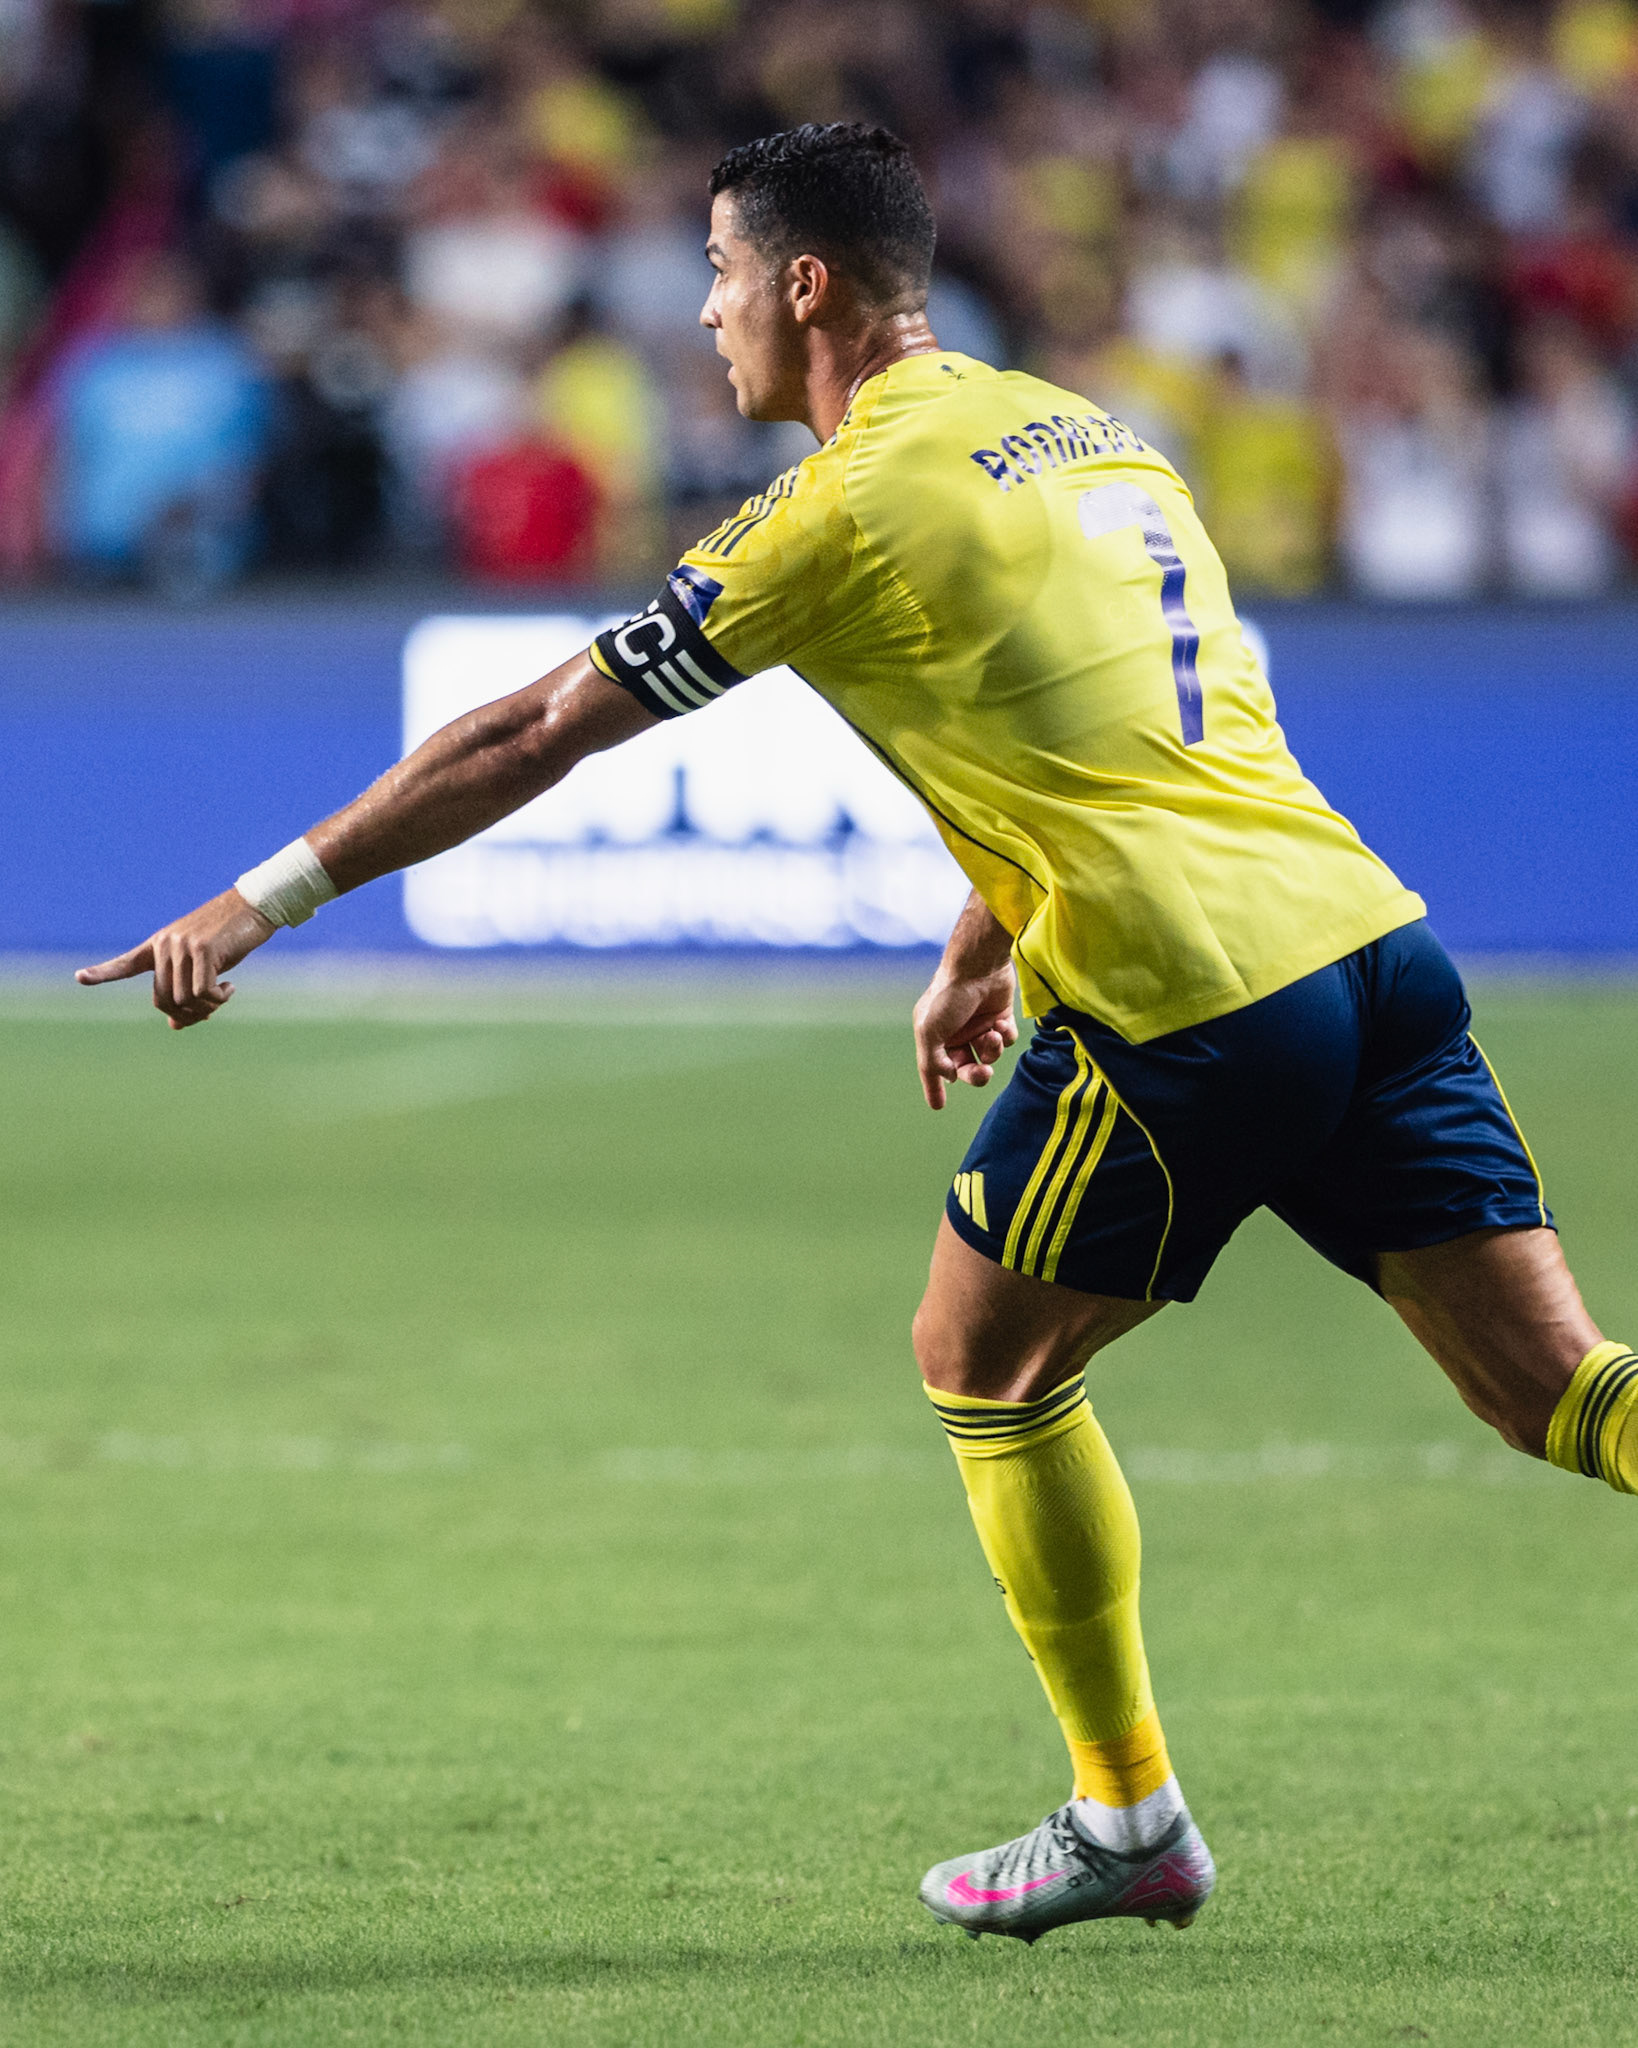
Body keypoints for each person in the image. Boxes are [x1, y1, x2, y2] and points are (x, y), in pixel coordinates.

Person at [77, 123, 1638, 1947]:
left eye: (720, 276)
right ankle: (1125, 1816)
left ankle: (1126, 1815)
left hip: (1185, 993)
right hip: (1370, 950)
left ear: (803, 284)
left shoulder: (840, 503)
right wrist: (984, 929)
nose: (706, 315)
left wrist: (259, 899)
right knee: (1558, 1392)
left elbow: (529, 732)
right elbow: (1118, 718)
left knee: (984, 1362)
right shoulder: (1084, 427)